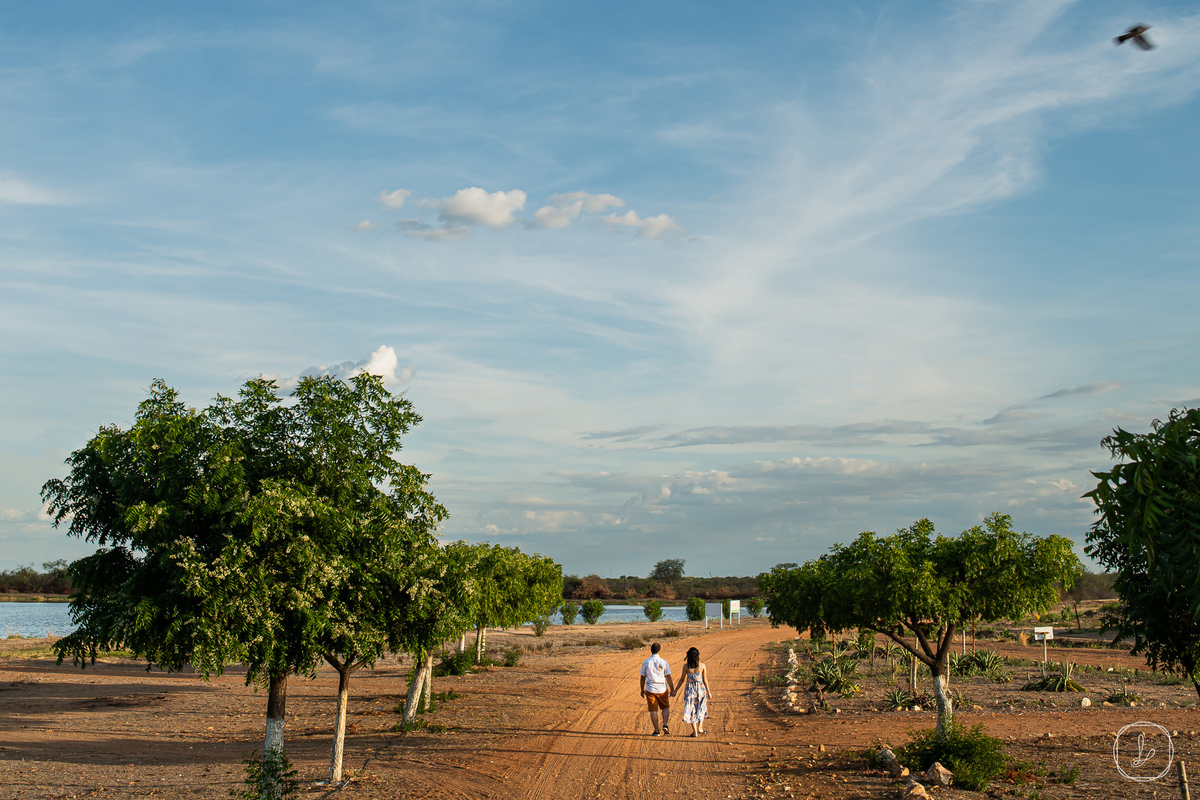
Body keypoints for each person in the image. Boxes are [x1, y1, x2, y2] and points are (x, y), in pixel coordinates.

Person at [672, 646, 711, 736]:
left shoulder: (686, 667)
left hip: (690, 690)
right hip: (700, 690)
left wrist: (675, 690)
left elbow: (681, 680)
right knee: (701, 707)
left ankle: (695, 731)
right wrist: (708, 692)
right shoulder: (702, 666)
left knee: (691, 709)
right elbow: (705, 680)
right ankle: (700, 727)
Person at [639, 642, 675, 736]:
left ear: (651, 650)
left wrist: (642, 689)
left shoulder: (646, 662)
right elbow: (668, 676)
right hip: (662, 688)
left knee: (653, 710)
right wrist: (672, 689)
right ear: (659, 650)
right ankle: (665, 724)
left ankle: (656, 730)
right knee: (665, 707)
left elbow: (642, 676)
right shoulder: (664, 662)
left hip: (650, 689)